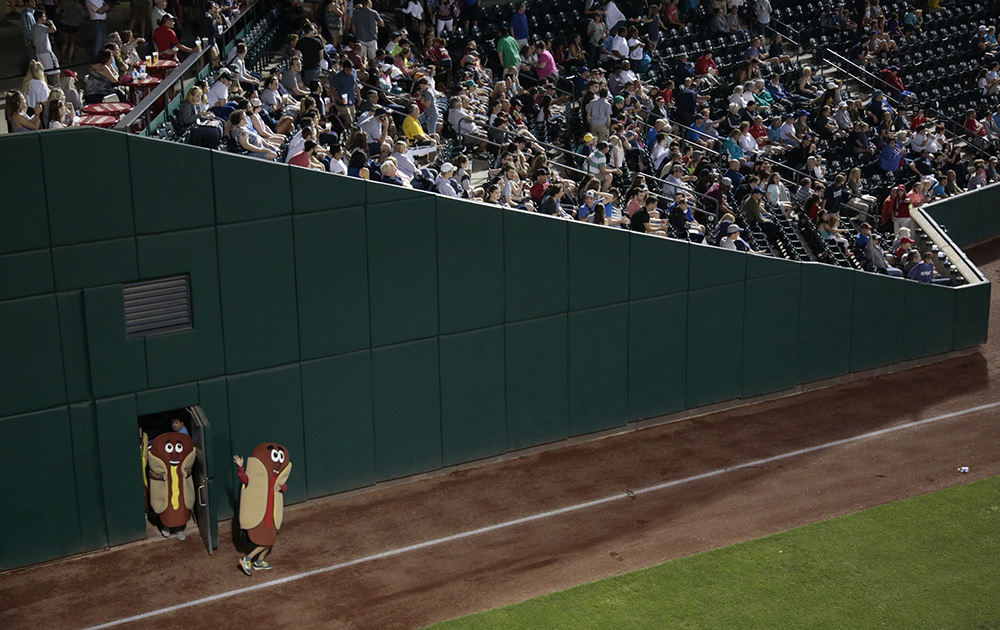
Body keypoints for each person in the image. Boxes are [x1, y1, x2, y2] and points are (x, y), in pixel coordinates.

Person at [234, 444, 291, 575]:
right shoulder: (255, 478)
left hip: (272, 515)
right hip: (259, 514)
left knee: (271, 540)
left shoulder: (277, 479)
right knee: (267, 541)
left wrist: (281, 488)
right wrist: (240, 467)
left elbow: (284, 487)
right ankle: (246, 559)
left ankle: (259, 561)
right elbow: (244, 479)